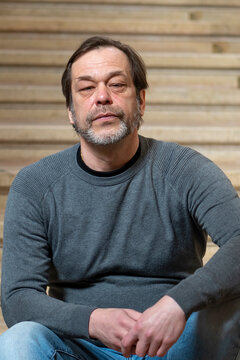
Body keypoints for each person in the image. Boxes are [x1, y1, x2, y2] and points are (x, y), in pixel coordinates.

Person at [0, 36, 239, 360]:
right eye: (86, 88)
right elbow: (18, 298)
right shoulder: (35, 185)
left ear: (141, 101)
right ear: (71, 111)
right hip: (78, 348)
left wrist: (176, 304)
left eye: (117, 85)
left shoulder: (184, 168)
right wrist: (93, 321)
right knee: (18, 340)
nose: (102, 97)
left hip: (177, 345)